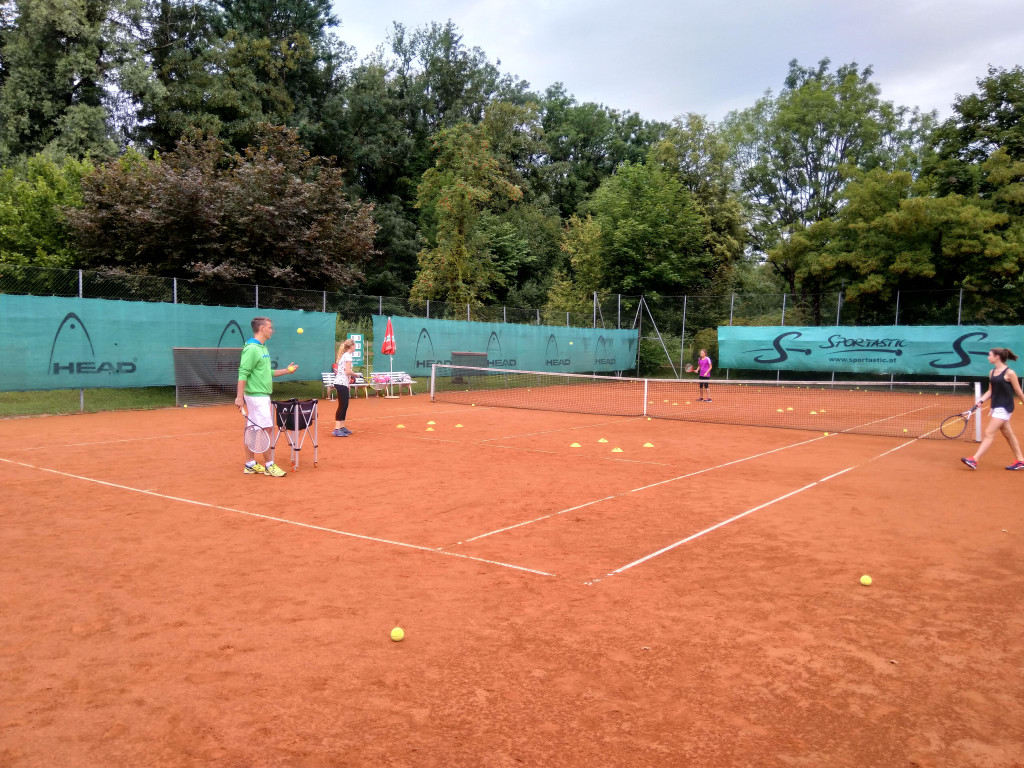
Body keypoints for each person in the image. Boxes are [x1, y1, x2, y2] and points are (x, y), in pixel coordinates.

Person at [234, 316, 297, 477]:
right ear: (261, 328)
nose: (271, 330)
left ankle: (250, 464)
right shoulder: (252, 349)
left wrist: (286, 371)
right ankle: (269, 465)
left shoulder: (262, 348)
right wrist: (239, 397)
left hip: (260, 396)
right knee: (266, 429)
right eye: (269, 327)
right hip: (257, 397)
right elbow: (243, 372)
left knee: (253, 429)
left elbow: (266, 372)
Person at [961, 347, 1024, 471]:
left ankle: (974, 459)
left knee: (989, 433)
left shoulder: (1010, 373)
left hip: (1004, 407)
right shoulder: (992, 372)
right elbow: (990, 391)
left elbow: (1018, 391)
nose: (988, 357)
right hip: (995, 406)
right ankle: (1021, 460)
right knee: (1008, 434)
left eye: (990, 355)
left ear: (997, 357)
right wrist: (980, 401)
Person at [332, 338, 356, 437]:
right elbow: (348, 371)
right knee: (342, 405)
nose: (355, 347)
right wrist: (356, 375)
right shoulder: (348, 356)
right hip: (341, 383)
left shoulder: (345, 355)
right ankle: (337, 429)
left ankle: (342, 427)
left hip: (342, 383)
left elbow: (344, 372)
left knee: (344, 405)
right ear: (352, 346)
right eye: (354, 345)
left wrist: (348, 384)